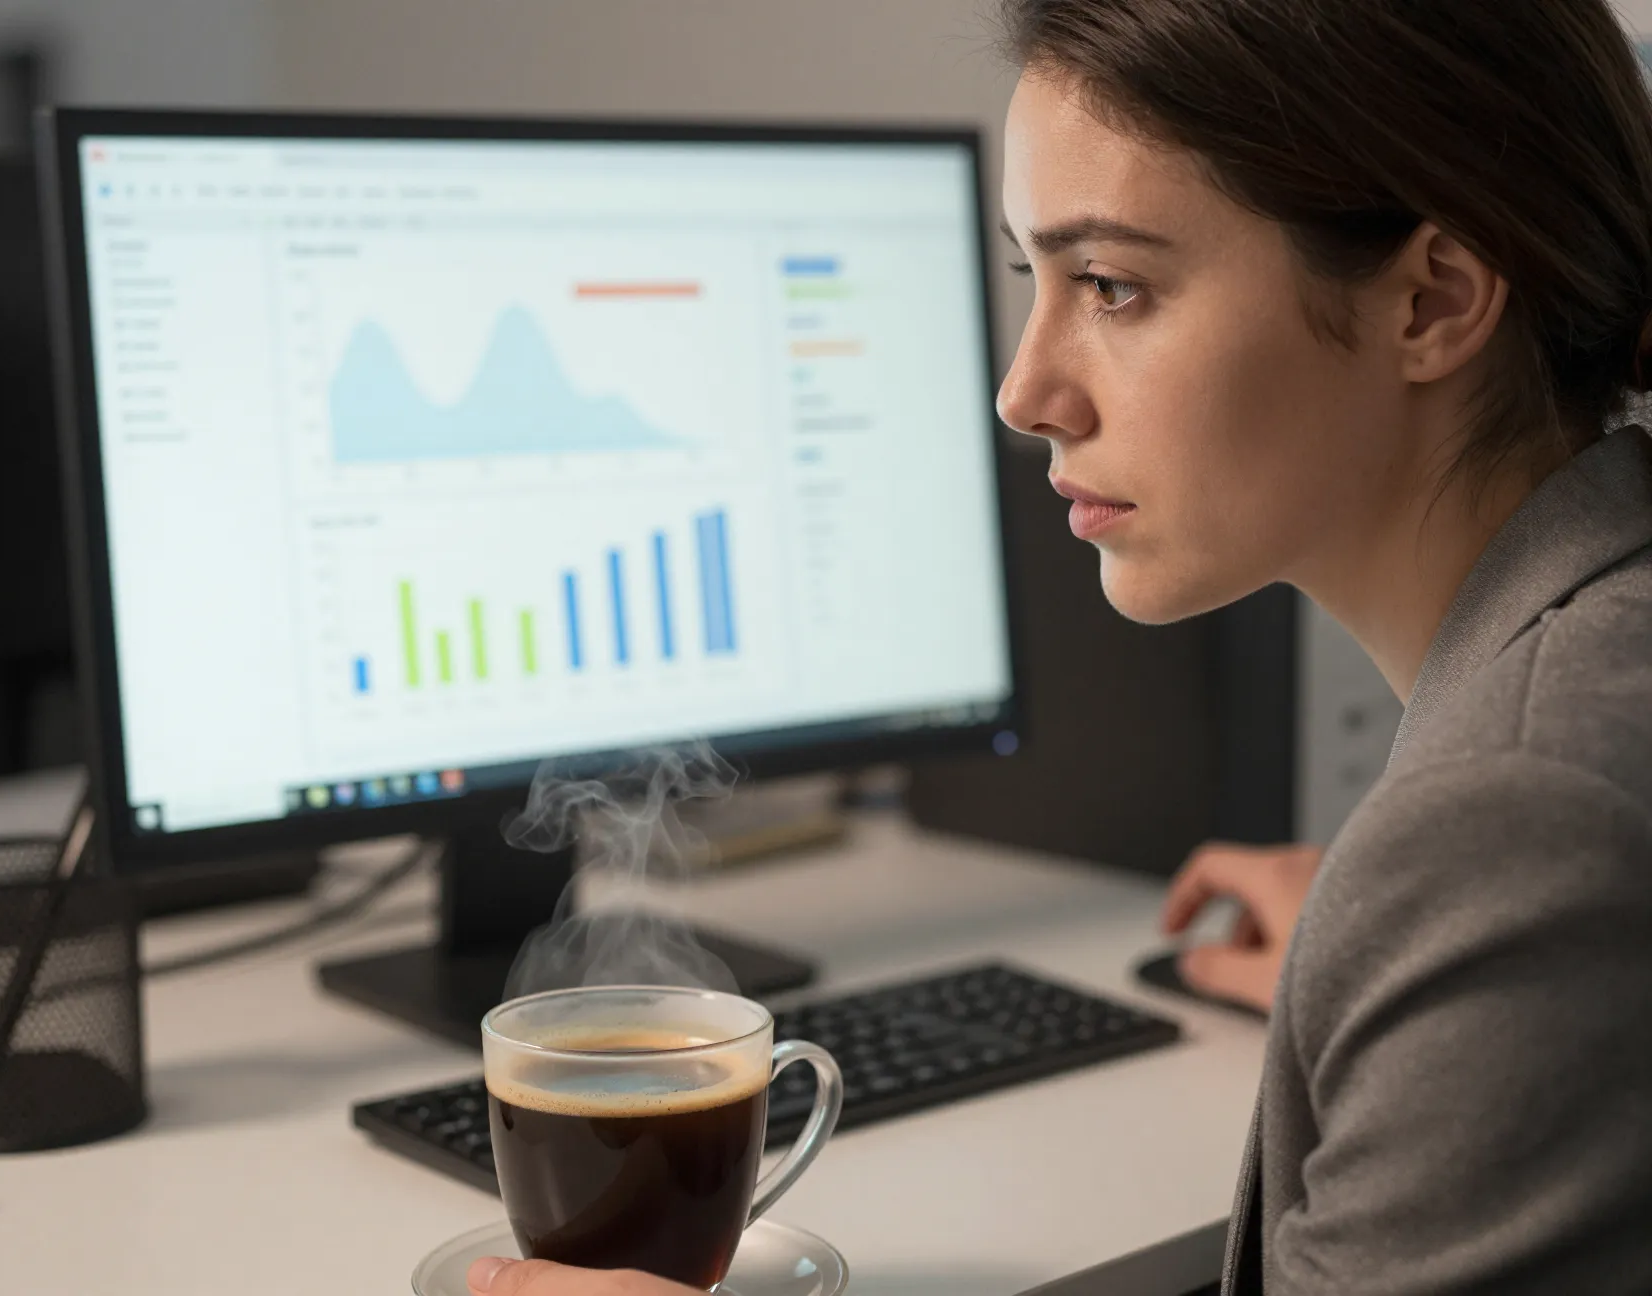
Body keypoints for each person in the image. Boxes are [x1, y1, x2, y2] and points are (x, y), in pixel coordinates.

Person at [463, 1, 1652, 1291]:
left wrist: (1451, 909)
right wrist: (1401, 988)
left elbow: (1532, 846)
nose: (1024, 394)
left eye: (1115, 285)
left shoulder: (1518, 833)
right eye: (1038, 279)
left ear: (1433, 301)